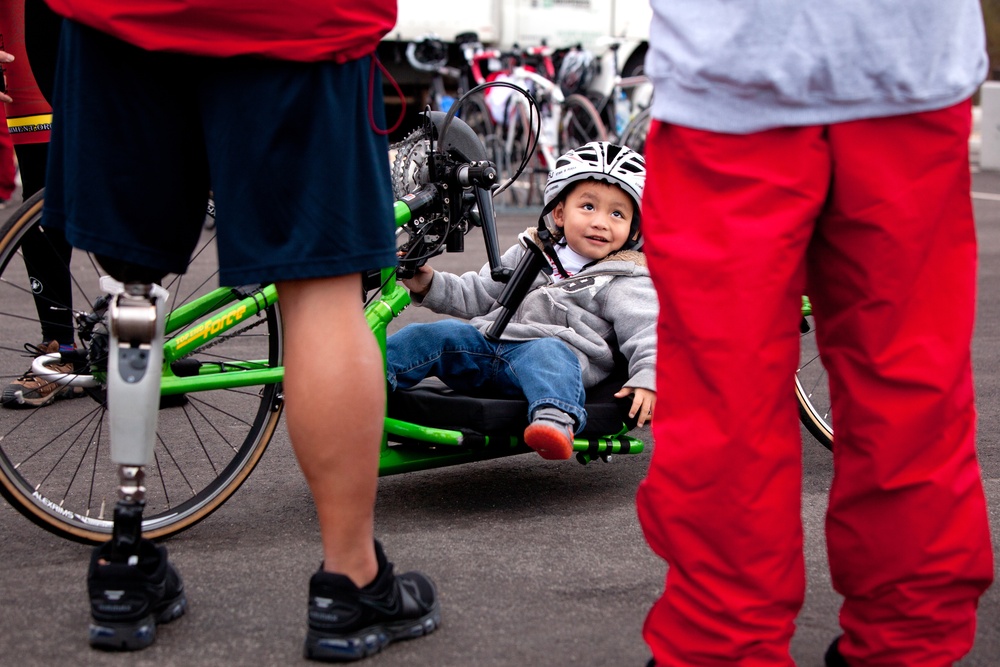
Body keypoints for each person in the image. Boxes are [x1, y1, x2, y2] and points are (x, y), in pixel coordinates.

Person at [40, 1, 439, 661]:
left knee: (131, 287)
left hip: (118, 15)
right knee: (321, 291)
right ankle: (351, 581)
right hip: (293, 23)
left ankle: (125, 562)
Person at [636, 2, 995, 666]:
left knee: (724, 398)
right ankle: (909, 642)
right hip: (907, 62)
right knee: (913, 387)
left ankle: (723, 646)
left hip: (736, 72)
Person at [388, 141, 656, 461]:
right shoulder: (531, 253)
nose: (600, 221)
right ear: (559, 213)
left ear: (633, 229)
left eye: (617, 213)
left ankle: (555, 420)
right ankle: (362, 387)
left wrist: (648, 379)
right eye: (588, 207)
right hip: (490, 345)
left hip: (554, 359)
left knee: (549, 352)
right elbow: (480, 293)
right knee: (429, 334)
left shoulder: (624, 279)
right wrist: (428, 283)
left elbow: (648, 333)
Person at [0, 0, 78, 409]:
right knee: (42, 196)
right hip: (26, 19)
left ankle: (141, 348)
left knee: (129, 182)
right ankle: (59, 349)